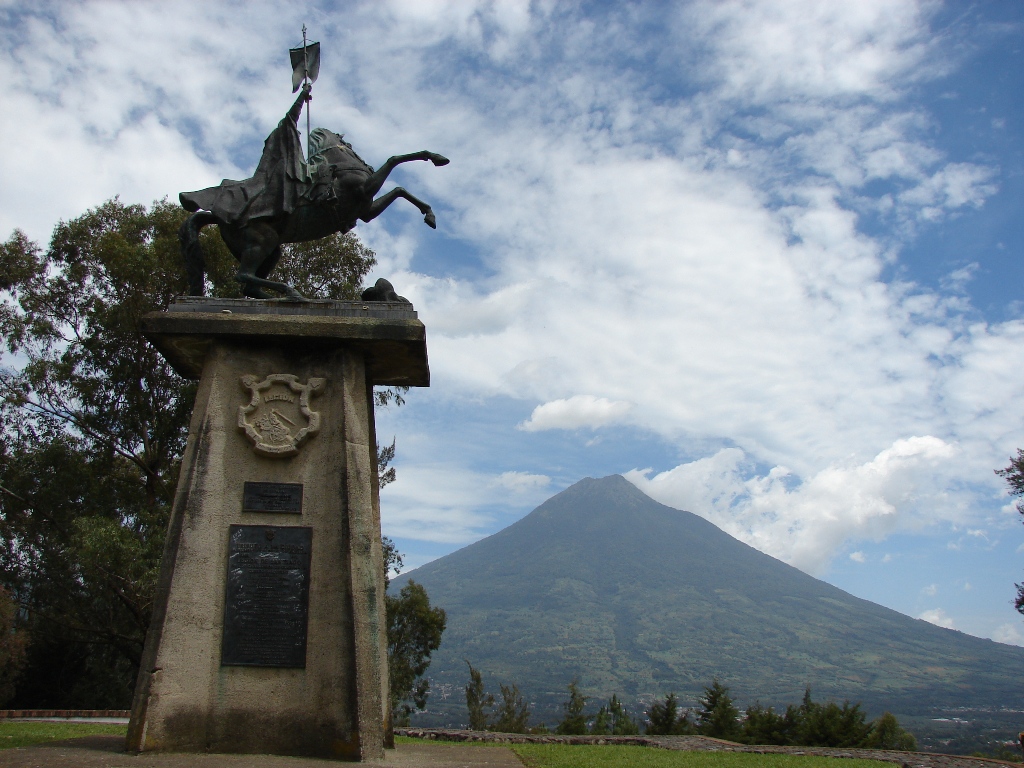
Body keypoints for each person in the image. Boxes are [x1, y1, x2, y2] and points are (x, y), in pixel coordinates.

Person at [180, 85, 313, 226]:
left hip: (274, 177)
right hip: (278, 176)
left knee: (241, 188)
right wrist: (302, 96)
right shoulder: (282, 134)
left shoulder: (279, 146)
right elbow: (291, 117)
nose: (296, 137)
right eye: (295, 134)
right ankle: (200, 198)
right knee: (240, 189)